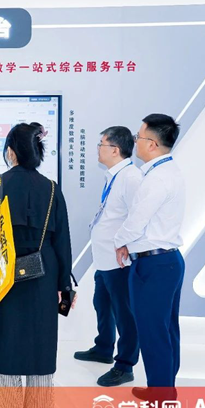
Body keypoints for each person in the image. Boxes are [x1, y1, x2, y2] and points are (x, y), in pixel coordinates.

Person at [0, 123, 74, 408]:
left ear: (11, 151)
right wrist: (65, 286)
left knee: (7, 342)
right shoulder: (52, 189)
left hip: (6, 274)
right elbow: (63, 242)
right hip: (44, 274)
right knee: (41, 343)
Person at [114, 114, 186, 408]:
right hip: (166, 261)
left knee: (154, 334)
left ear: (153, 144)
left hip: (153, 265)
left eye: (139, 137)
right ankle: (163, 391)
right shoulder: (168, 171)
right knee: (165, 331)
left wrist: (120, 242)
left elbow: (136, 223)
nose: (135, 142)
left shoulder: (156, 179)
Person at [75, 126, 142, 387]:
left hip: (119, 262)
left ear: (115, 149)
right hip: (104, 258)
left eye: (101, 144)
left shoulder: (131, 178)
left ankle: (125, 365)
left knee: (124, 313)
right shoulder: (114, 175)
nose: (98, 148)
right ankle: (103, 348)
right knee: (102, 304)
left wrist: (126, 245)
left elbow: (139, 217)